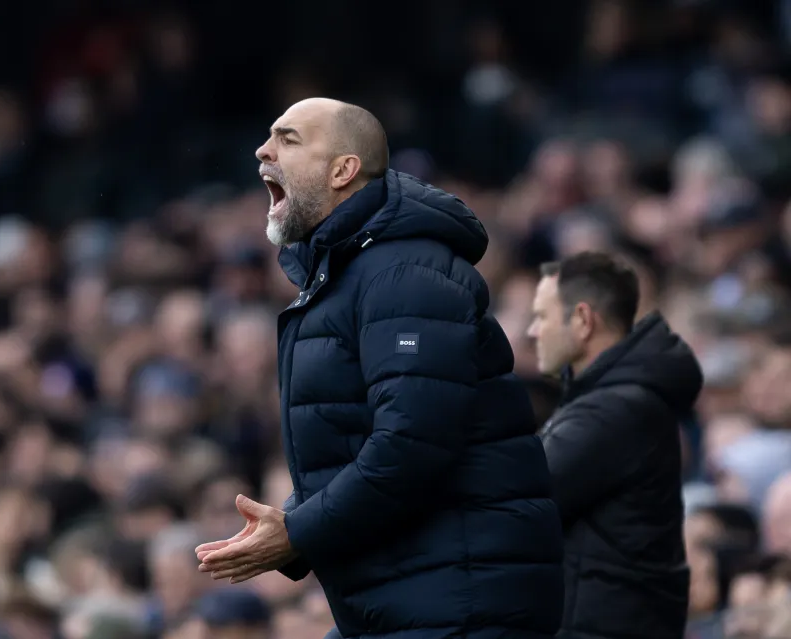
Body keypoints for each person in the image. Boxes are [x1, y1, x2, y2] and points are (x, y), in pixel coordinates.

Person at [196, 97, 564, 638]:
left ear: (343, 170)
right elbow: (355, 443)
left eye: (288, 139)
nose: (263, 149)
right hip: (409, 592)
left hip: (463, 599)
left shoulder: (404, 272)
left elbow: (413, 443)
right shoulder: (346, 274)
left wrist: (298, 533)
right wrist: (289, 527)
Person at [527, 252, 703, 639]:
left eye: (542, 316)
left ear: (584, 320)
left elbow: (517, 498)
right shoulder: (614, 401)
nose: (532, 331)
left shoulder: (613, 411)